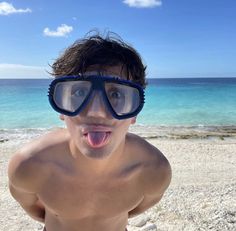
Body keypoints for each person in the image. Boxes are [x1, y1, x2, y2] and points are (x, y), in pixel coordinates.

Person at [8, 31, 172, 231]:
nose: (96, 112)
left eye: (116, 94)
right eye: (78, 92)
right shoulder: (29, 166)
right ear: (62, 109)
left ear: (134, 113)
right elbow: (32, 209)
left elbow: (138, 208)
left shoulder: (153, 170)